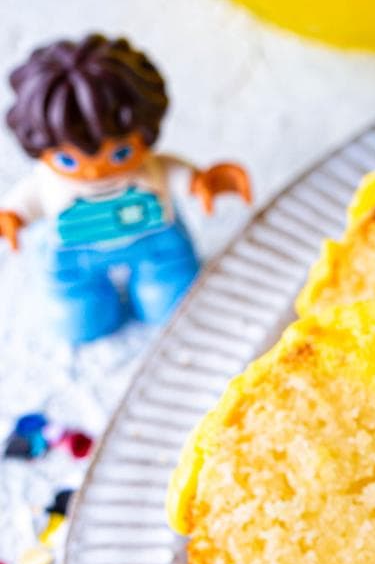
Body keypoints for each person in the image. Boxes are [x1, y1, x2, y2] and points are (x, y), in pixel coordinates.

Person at [2, 34, 250, 343]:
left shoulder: (150, 167)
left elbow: (178, 174)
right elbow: (27, 202)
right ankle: (88, 304)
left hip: (155, 242)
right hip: (76, 253)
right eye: (68, 160)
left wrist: (202, 183)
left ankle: (160, 289)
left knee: (174, 303)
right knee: (81, 318)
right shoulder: (47, 182)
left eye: (119, 154)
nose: (94, 170)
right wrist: (12, 217)